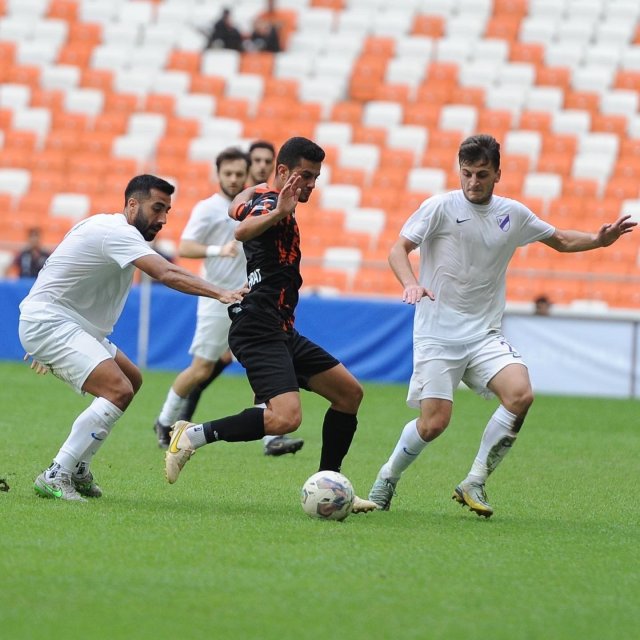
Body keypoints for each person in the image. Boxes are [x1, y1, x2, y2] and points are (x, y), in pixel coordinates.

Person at [367, 134, 636, 518]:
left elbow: (558, 239)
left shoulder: (513, 214)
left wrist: (598, 240)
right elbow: (398, 250)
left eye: (481, 174)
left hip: (483, 333)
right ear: (459, 171)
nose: (473, 182)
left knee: (520, 394)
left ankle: (474, 480)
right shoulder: (438, 208)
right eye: (467, 174)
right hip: (437, 334)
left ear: (497, 175)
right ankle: (387, 477)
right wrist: (410, 283)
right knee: (434, 424)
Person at [164, 136, 377, 514]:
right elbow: (241, 230)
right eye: (305, 176)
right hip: (257, 326)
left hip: (279, 327)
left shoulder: (263, 196)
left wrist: (268, 193)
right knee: (286, 418)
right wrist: (278, 209)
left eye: (315, 177)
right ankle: (192, 434)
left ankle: (330, 483)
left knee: (349, 394)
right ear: (283, 172)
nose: (311, 184)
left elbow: (234, 208)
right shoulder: (271, 205)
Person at [19, 174, 246, 502]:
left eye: (167, 210)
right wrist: (221, 292)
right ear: (132, 204)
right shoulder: (118, 233)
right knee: (117, 389)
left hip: (64, 323)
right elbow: (166, 273)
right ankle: (57, 473)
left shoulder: (109, 228)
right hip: (51, 322)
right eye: (157, 208)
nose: (163, 219)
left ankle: (79, 468)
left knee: (131, 378)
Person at [153, 147, 303, 455]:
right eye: (228, 174)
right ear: (218, 174)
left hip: (249, 296)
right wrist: (216, 251)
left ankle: (270, 437)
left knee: (262, 368)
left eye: (238, 173)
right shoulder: (209, 208)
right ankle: (165, 421)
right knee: (200, 369)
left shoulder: (254, 204)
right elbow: (186, 247)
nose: (234, 179)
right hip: (215, 295)